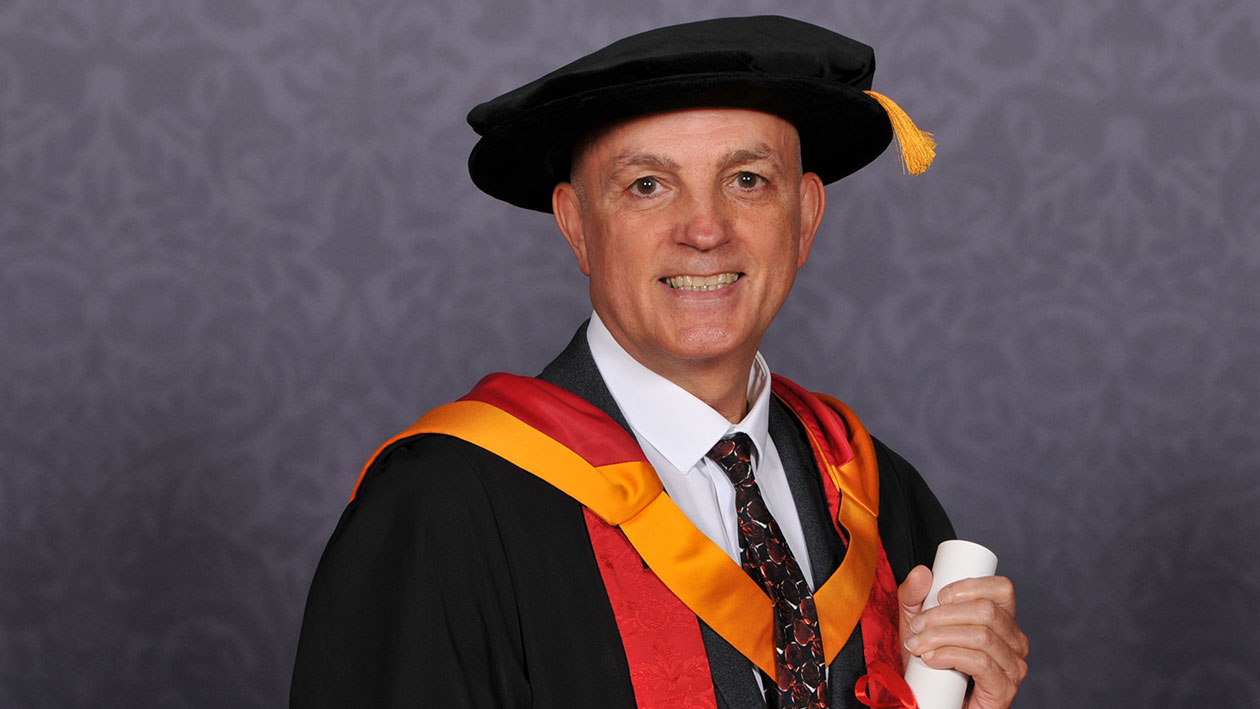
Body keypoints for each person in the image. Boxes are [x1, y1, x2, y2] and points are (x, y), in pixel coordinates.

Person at [291, 15, 1028, 709]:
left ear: (804, 219)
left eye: (747, 180)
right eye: (647, 185)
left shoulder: (874, 492)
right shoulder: (442, 511)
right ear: (578, 226)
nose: (705, 230)